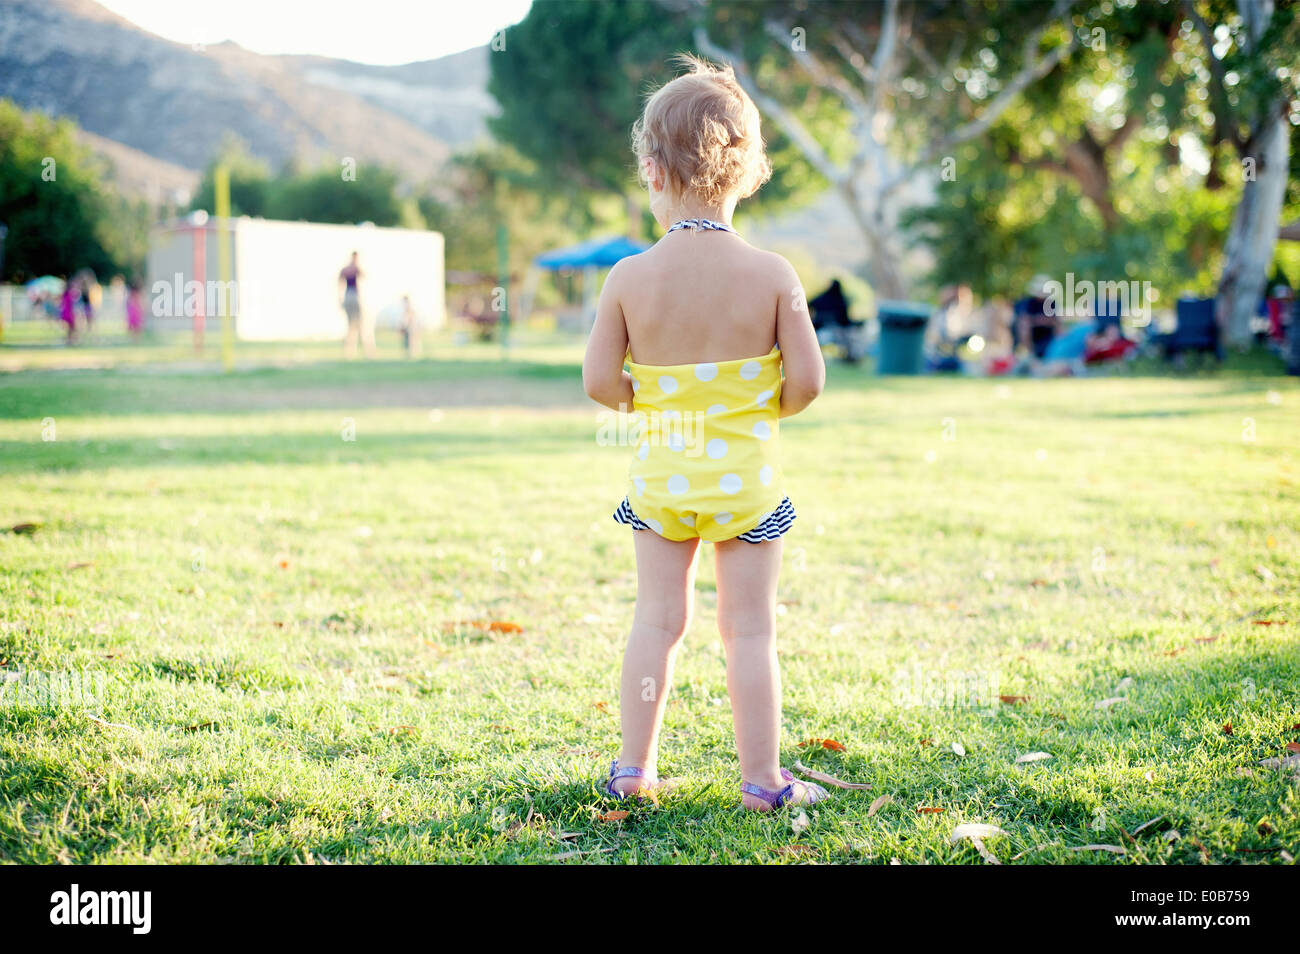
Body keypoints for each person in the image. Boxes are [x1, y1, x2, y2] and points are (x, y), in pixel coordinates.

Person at [582, 54, 828, 812]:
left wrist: (651, 402)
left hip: (664, 485)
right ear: (751, 171)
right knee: (748, 631)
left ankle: (632, 769)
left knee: (657, 620)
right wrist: (756, 409)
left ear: (652, 170)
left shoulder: (628, 277)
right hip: (746, 486)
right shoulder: (773, 274)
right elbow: (808, 382)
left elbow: (599, 383)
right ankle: (764, 782)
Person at [339, 252, 374, 358]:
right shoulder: (354, 269)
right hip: (355, 297)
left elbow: (339, 284)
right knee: (361, 325)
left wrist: (340, 300)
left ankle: (350, 352)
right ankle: (367, 352)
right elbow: (365, 277)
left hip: (348, 297)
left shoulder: (345, 269)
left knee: (352, 326)